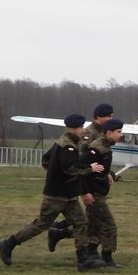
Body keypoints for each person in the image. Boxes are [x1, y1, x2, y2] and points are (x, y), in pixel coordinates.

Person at [0, 114, 105, 271]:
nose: (83, 130)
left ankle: (83, 259)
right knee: (41, 224)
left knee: (81, 223)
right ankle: (8, 244)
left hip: (67, 195)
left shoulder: (62, 142)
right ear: (73, 128)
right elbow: (70, 169)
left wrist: (54, 174)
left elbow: (46, 160)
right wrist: (89, 169)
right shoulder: (68, 147)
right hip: (57, 196)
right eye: (80, 127)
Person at [46, 101, 117, 250]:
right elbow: (79, 161)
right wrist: (84, 190)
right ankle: (81, 247)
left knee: (92, 220)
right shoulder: (88, 134)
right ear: (98, 117)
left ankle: (63, 234)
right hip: (87, 182)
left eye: (112, 116)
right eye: (108, 116)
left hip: (95, 182)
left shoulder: (103, 132)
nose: (111, 118)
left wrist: (106, 173)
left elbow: (99, 159)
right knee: (95, 222)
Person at [77, 118, 125, 269]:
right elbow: (80, 169)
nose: (121, 135)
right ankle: (107, 257)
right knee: (109, 225)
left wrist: (107, 174)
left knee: (94, 225)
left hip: (98, 191)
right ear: (108, 132)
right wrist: (86, 192)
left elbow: (99, 168)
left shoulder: (105, 146)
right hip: (95, 193)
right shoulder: (96, 148)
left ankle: (89, 253)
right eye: (118, 132)